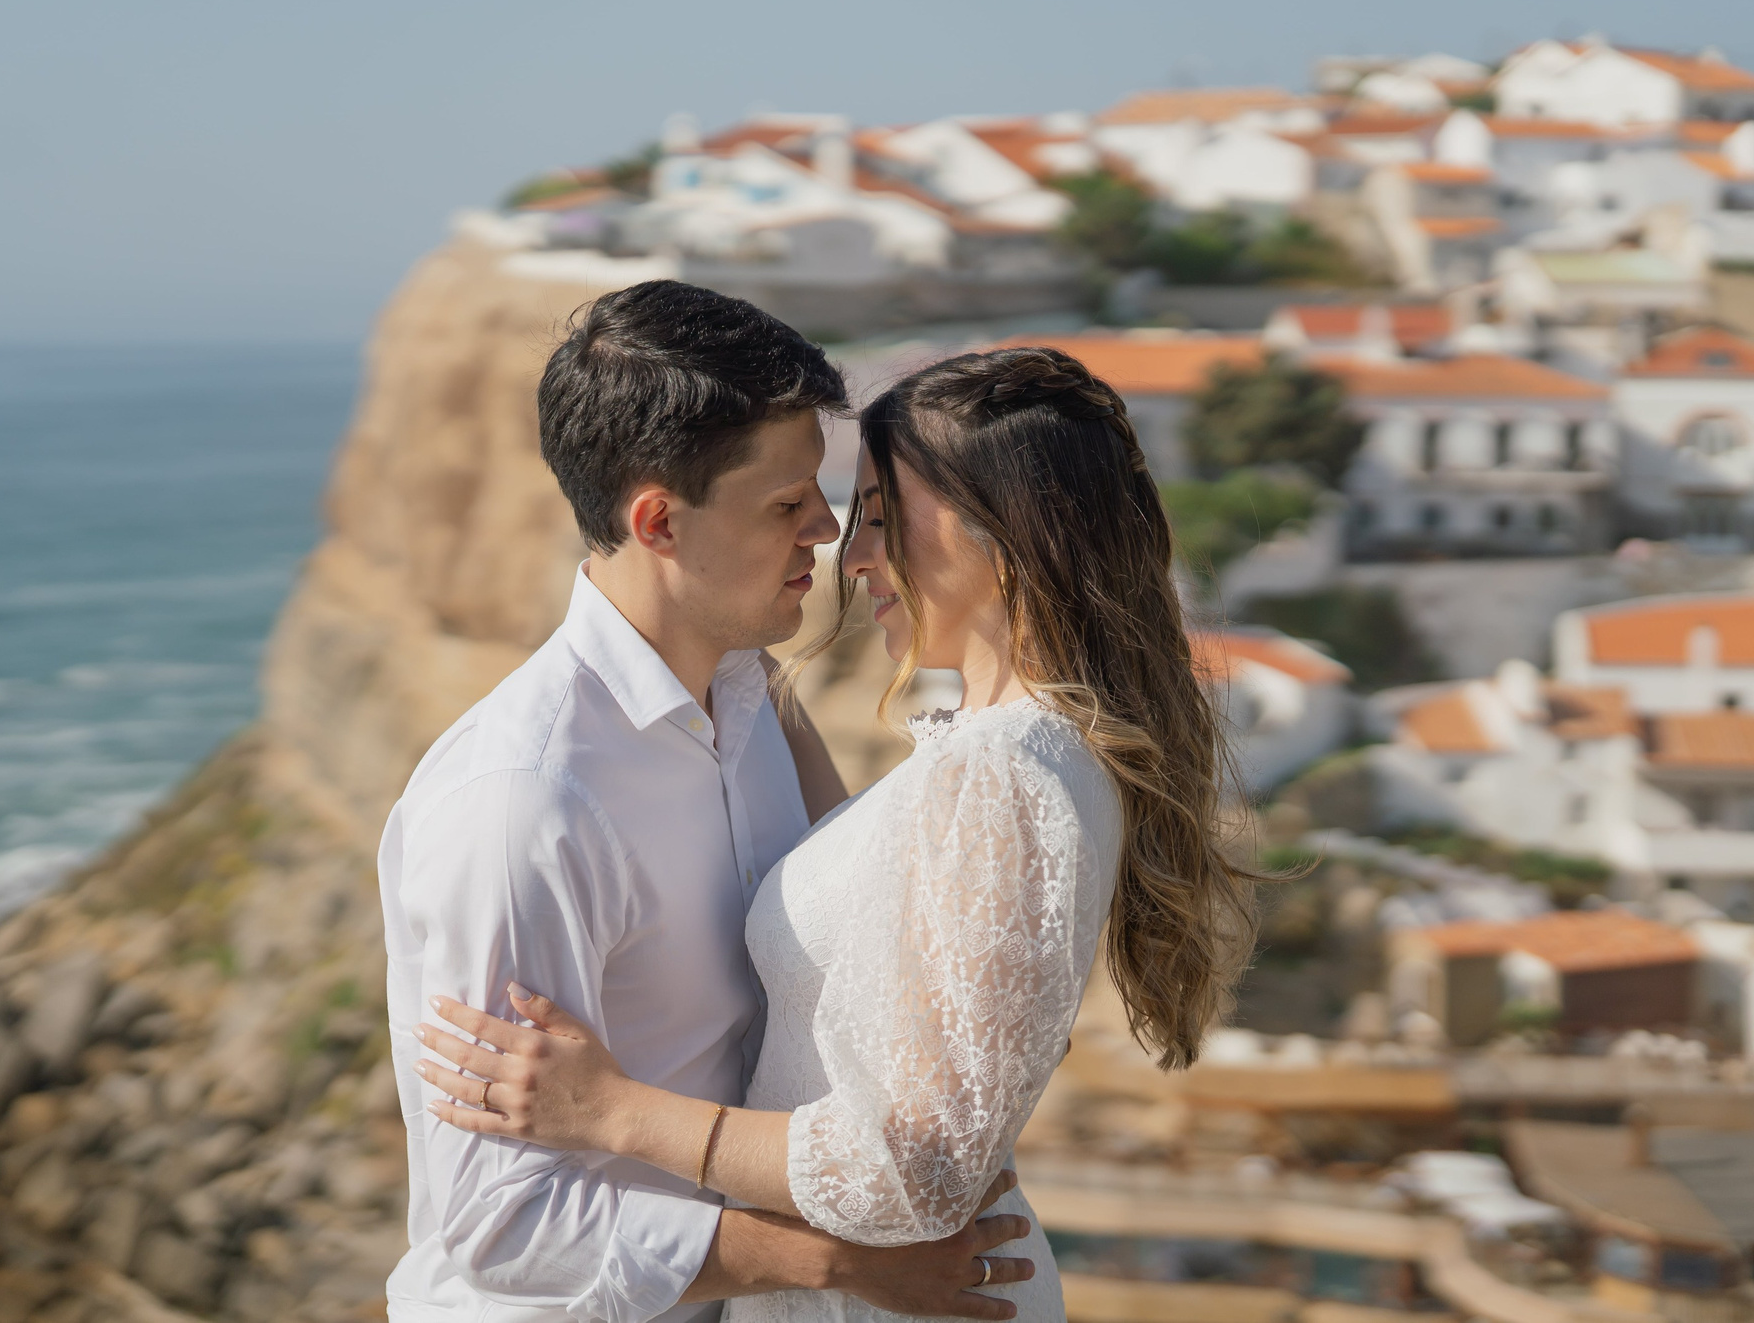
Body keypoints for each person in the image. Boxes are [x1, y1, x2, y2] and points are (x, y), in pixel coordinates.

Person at [411, 346, 1257, 1323]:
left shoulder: (1002, 777)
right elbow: (850, 900)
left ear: (1009, 533)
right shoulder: (1009, 757)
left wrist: (613, 1112)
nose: (850, 555)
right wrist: (710, 638)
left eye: (884, 519)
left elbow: (915, 1178)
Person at [378, 282, 1040, 1323]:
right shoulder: (523, 805)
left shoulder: (754, 699)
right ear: (658, 521)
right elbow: (501, 1222)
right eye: (786, 504)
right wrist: (836, 1261)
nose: (825, 530)